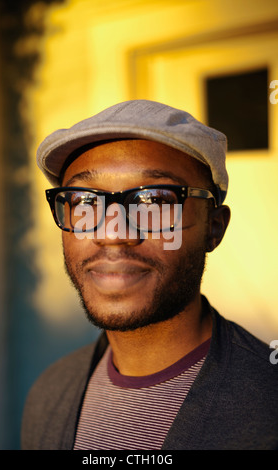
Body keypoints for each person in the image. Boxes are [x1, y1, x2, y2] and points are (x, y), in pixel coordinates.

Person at [21, 99, 278, 450]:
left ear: (213, 228)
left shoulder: (268, 404)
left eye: (154, 201)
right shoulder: (48, 394)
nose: (112, 232)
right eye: (84, 201)